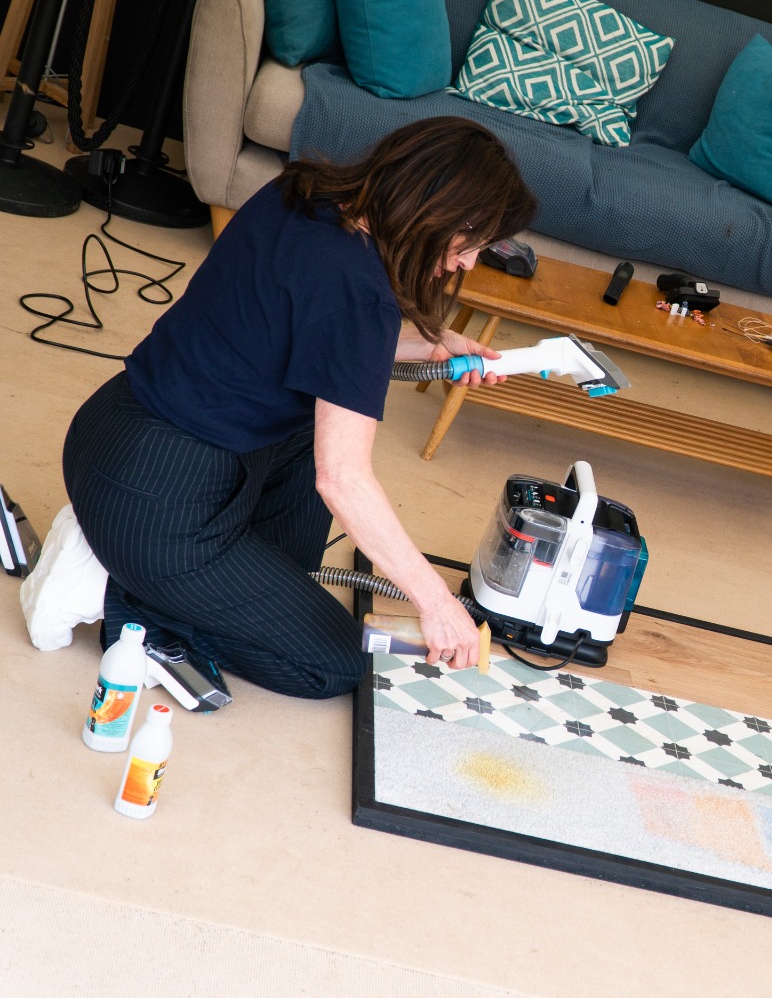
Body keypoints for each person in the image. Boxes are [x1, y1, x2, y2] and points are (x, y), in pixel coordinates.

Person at [62, 116, 538, 698]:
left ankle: (161, 571)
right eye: (472, 242)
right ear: (435, 209)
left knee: (294, 554)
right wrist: (435, 601)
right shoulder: (362, 295)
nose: (468, 263)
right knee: (332, 664)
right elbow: (343, 479)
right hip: (155, 500)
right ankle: (119, 597)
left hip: (113, 430)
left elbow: (317, 331)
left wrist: (441, 349)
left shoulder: (305, 191)